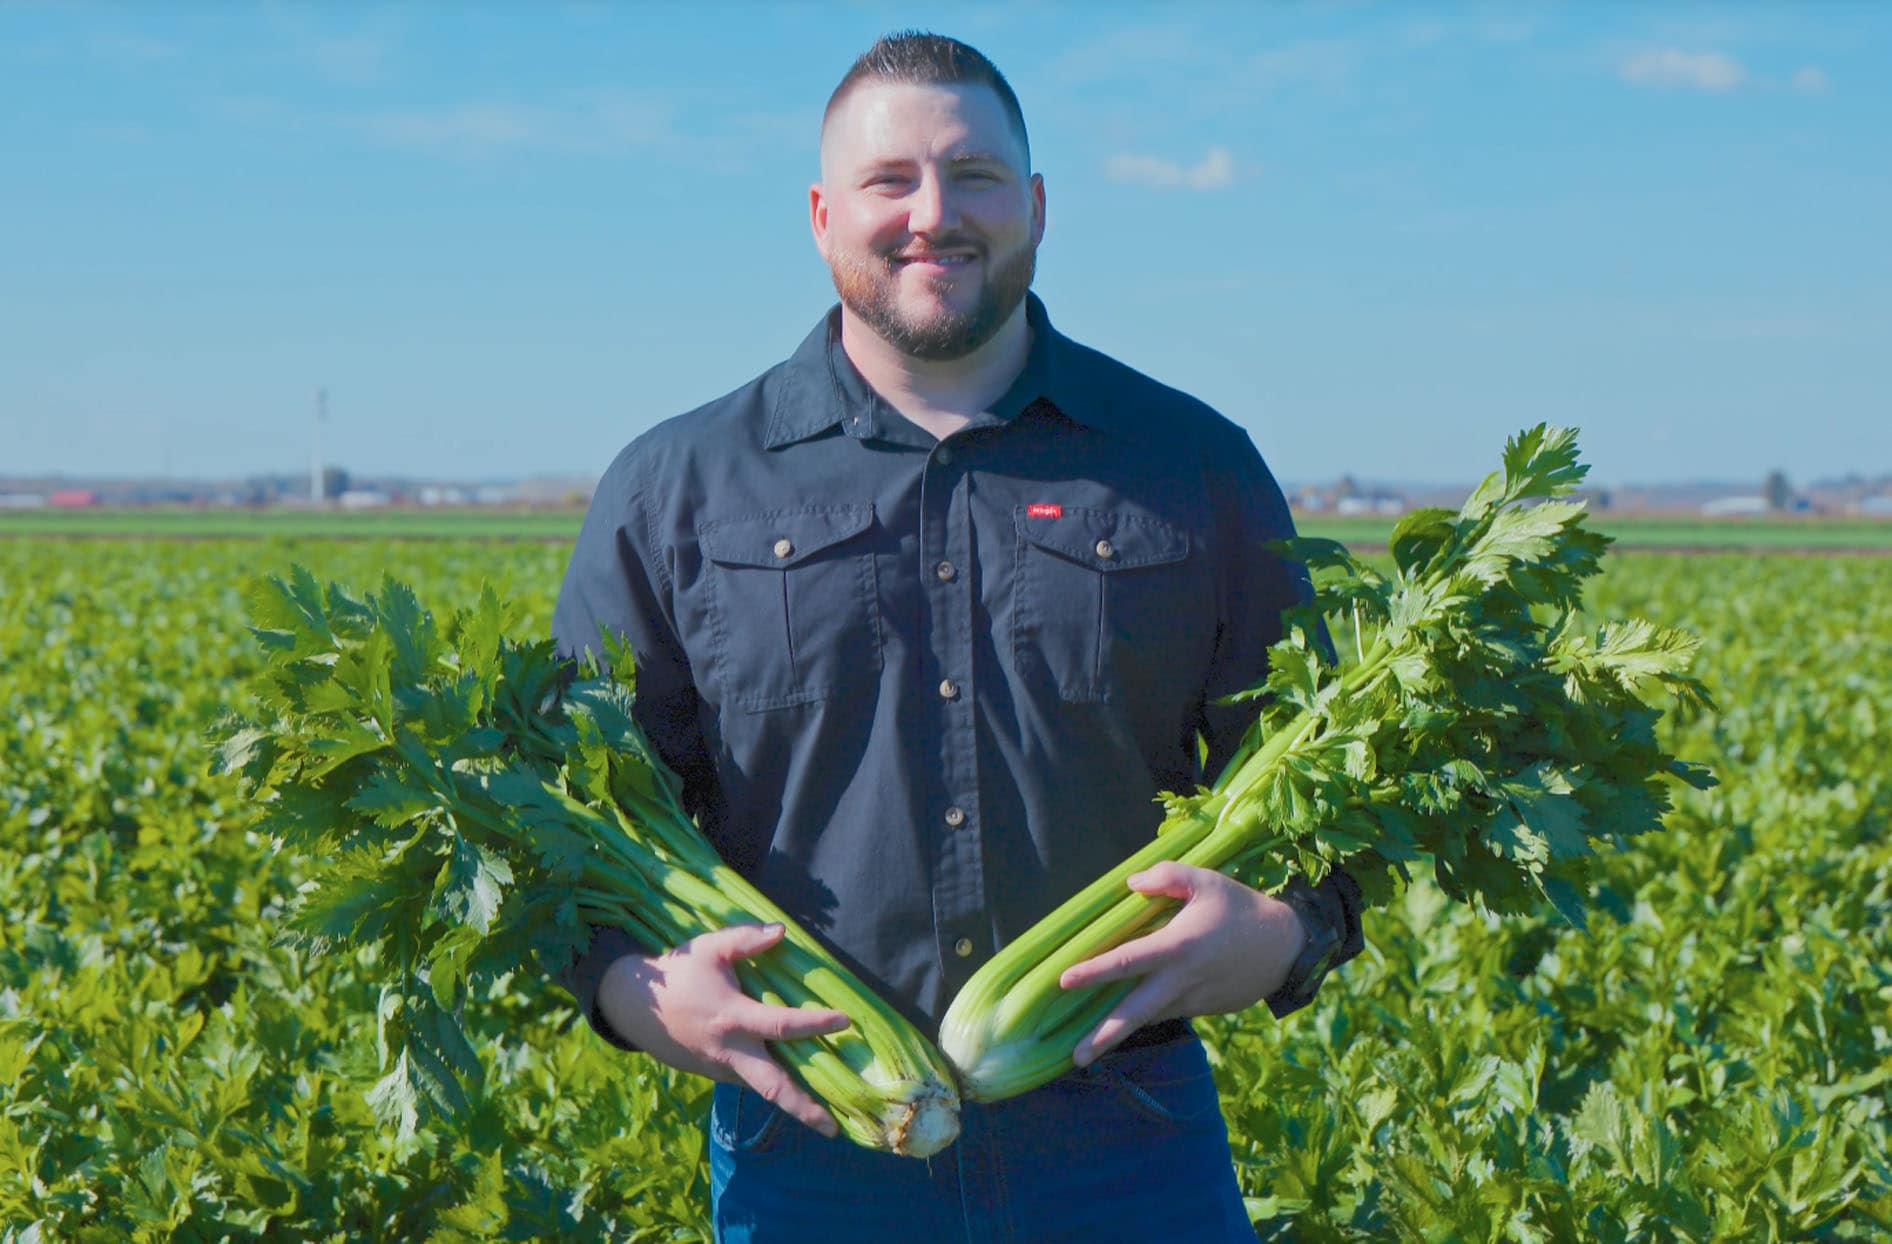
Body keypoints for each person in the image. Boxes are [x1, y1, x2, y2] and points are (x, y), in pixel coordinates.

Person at [550, 30, 1363, 1242]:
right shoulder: (677, 485)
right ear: (824, 215)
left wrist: (1284, 930)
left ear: (1032, 205)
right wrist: (633, 994)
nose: (934, 214)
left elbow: (1336, 782)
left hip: (1126, 1134)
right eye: (890, 181)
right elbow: (565, 817)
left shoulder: (1190, 464)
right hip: (811, 1136)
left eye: (974, 175)